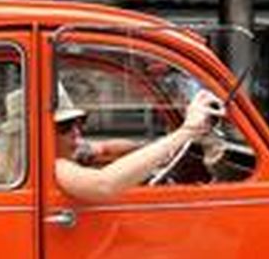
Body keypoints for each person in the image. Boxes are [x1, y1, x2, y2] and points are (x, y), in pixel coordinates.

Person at [54, 86, 223, 204]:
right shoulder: (55, 165)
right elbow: (104, 184)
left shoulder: (68, 151)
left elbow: (105, 148)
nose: (76, 132)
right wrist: (186, 131)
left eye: (79, 123)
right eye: (65, 126)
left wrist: (156, 150)